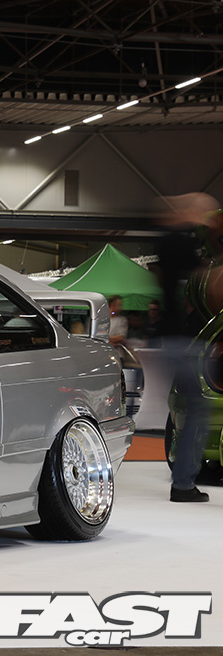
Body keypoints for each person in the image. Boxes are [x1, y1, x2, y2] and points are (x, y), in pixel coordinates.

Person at [157, 192, 223, 502]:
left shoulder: (168, 239)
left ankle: (183, 481)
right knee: (198, 411)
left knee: (192, 407)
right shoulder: (180, 241)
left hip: (173, 340)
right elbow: (208, 279)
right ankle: (182, 484)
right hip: (180, 342)